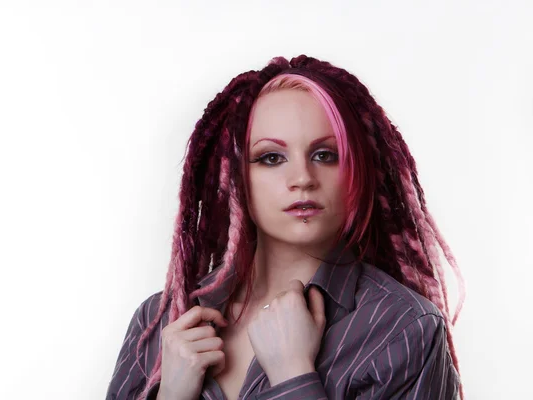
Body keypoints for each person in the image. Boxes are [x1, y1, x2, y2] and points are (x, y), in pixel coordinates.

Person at [106, 55, 466, 400]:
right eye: (271, 158)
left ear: (357, 169)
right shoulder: (159, 323)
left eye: (325, 155)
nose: (302, 179)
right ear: (235, 178)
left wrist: (293, 377)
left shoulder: (403, 329)